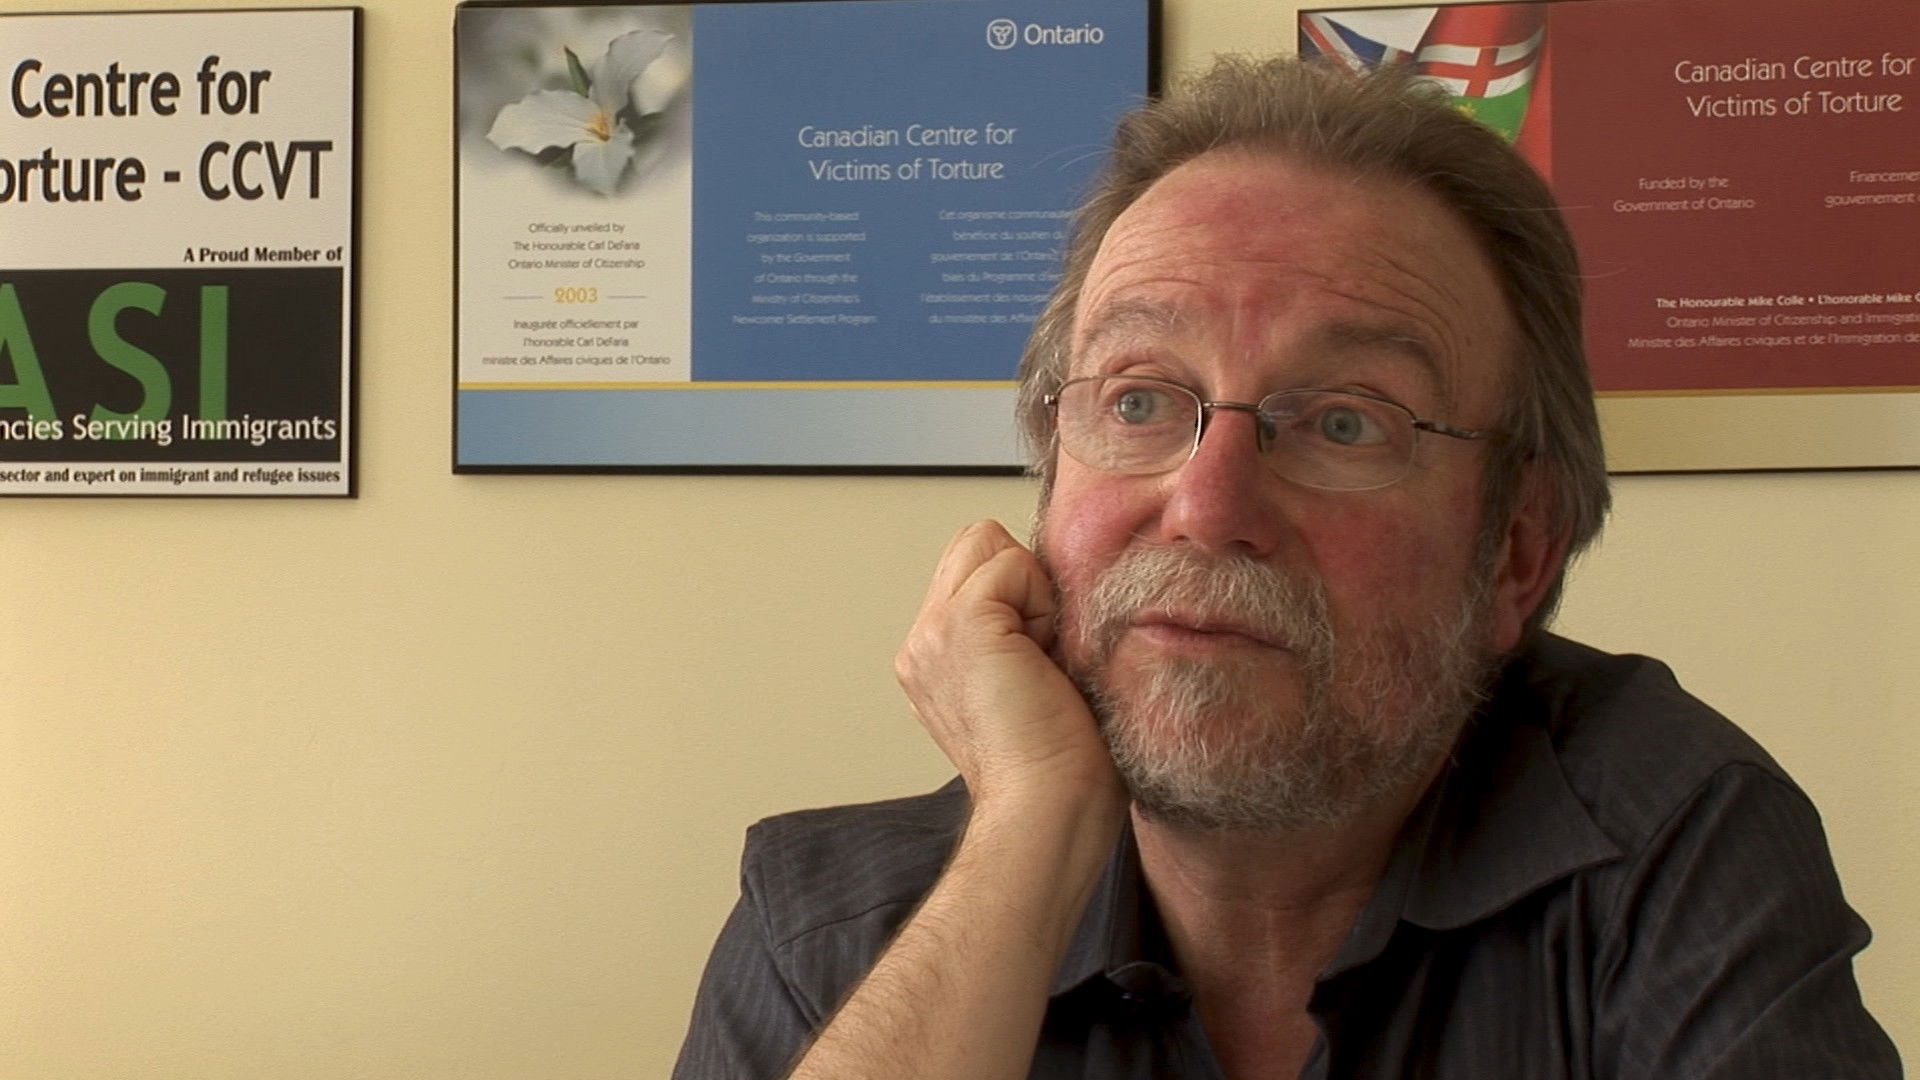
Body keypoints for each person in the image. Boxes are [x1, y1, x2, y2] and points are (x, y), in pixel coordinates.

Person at [672, 55, 1901, 1080]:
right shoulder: (825, 929)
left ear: (1515, 553)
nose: (1209, 509)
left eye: (1347, 422)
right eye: (1139, 399)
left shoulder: (1666, 846)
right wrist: (1032, 827)